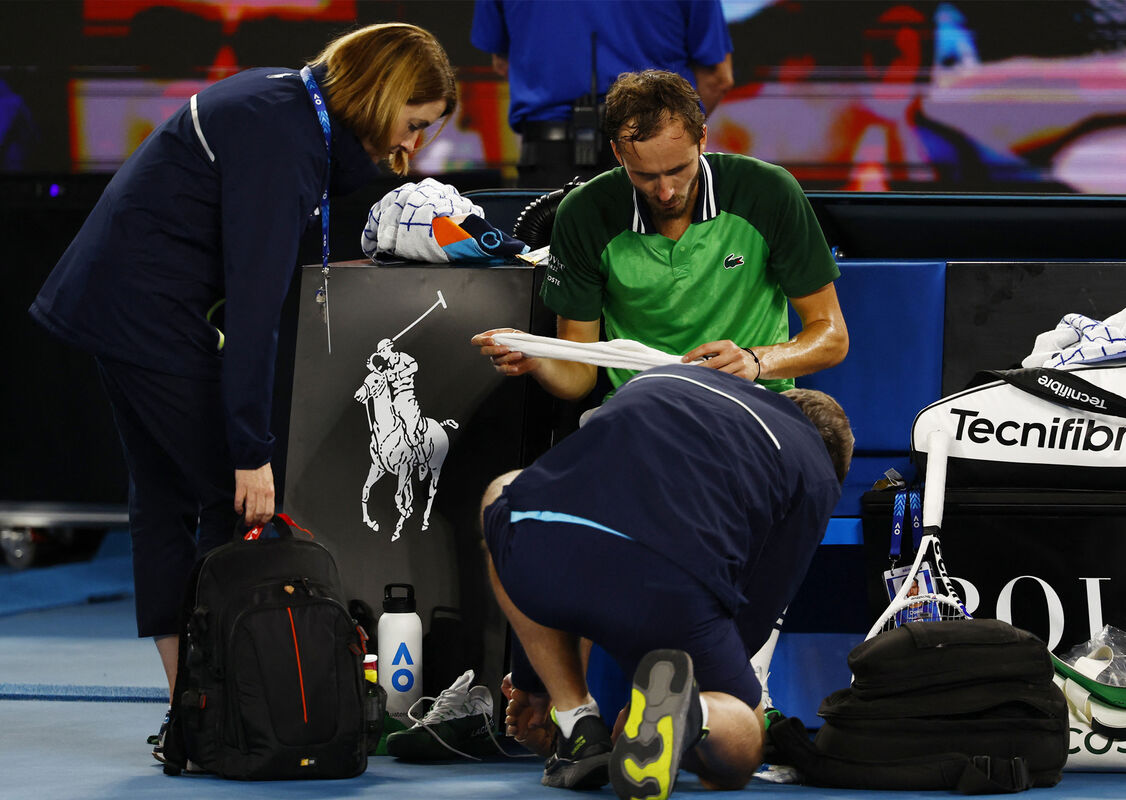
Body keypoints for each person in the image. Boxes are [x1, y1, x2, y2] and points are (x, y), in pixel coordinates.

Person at [27, 22, 457, 759]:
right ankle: (221, 707)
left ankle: (193, 713)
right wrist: (249, 452)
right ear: (382, 93)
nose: (413, 145)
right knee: (234, 510)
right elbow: (256, 312)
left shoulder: (281, 104)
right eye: (412, 123)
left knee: (164, 502)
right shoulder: (281, 137)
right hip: (144, 313)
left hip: (117, 305)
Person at [480, 364, 853, 796]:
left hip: (545, 538)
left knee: (504, 496)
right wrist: (704, 688)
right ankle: (692, 713)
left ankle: (575, 719)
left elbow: (568, 494)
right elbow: (756, 608)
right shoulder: (816, 471)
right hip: (673, 578)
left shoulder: (667, 376)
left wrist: (532, 681)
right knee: (740, 742)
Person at [473, 68, 847, 402]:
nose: (665, 191)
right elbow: (579, 378)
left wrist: (755, 359)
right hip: (642, 412)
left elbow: (831, 337)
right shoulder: (584, 212)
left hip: (754, 402)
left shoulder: (769, 190)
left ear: (703, 138)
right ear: (618, 153)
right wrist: (540, 359)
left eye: (678, 169)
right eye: (646, 175)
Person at [470, 2, 734, 188]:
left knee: (546, 266)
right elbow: (717, 78)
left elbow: (503, 62)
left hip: (547, 161)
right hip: (655, 159)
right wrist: (673, 135)